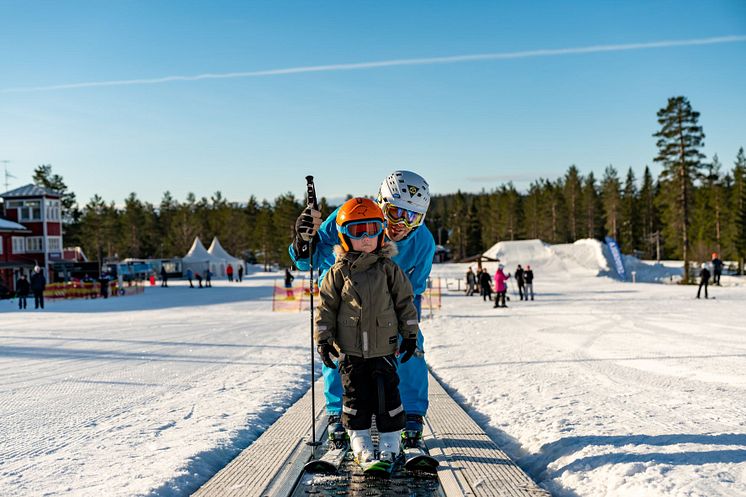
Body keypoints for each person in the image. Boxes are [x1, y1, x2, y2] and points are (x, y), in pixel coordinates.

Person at [290, 170, 435, 445]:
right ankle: (337, 412)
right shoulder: (350, 216)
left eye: (412, 217)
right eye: (394, 213)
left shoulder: (423, 242)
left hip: (387, 308)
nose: (401, 224)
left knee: (411, 350)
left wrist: (409, 328)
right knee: (340, 350)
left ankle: (412, 413)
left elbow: (413, 291)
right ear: (381, 203)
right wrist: (304, 239)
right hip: (345, 300)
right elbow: (307, 260)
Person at [315, 198, 419, 467]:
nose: (366, 238)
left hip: (384, 347)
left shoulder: (389, 269)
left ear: (381, 232)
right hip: (351, 351)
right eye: (358, 231)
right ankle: (360, 441)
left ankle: (390, 442)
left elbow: (405, 304)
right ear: (344, 236)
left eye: (372, 229)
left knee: (388, 397)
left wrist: (410, 335)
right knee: (355, 398)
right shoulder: (337, 273)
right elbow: (325, 307)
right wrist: (324, 340)